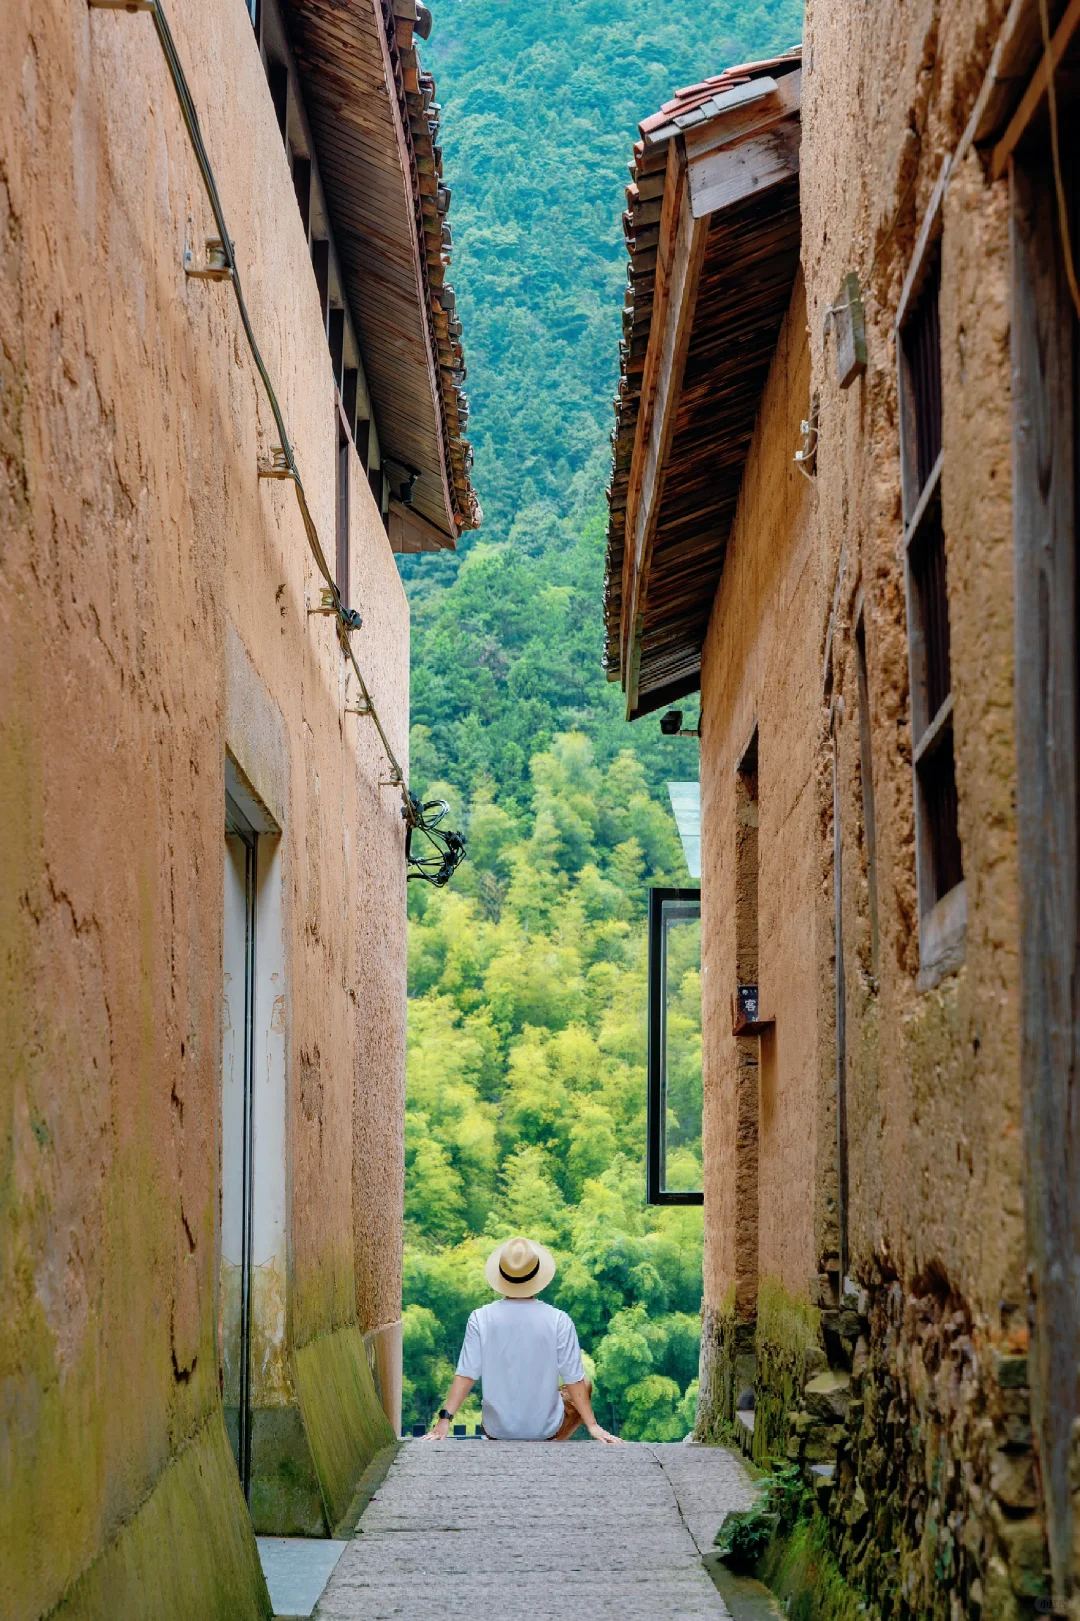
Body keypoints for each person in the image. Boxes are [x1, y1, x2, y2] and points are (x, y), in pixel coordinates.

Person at [421, 1236, 624, 1444]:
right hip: (546, 1430)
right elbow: (573, 1379)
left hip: (496, 1430)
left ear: (501, 1277)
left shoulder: (480, 1318)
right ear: (538, 1278)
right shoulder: (559, 1320)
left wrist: (445, 1420)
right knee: (585, 1383)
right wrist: (593, 1425)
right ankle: (551, 1440)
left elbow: (466, 1374)